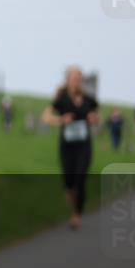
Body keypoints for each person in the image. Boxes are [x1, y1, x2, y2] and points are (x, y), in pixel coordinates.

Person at [42, 67, 99, 230]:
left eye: (78, 77)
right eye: (73, 77)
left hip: (84, 145)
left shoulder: (88, 99)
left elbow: (97, 116)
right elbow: (46, 117)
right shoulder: (61, 98)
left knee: (80, 178)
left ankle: (77, 215)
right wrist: (61, 120)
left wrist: (93, 118)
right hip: (67, 146)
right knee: (69, 181)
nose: (76, 80)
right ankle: (73, 199)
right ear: (67, 79)